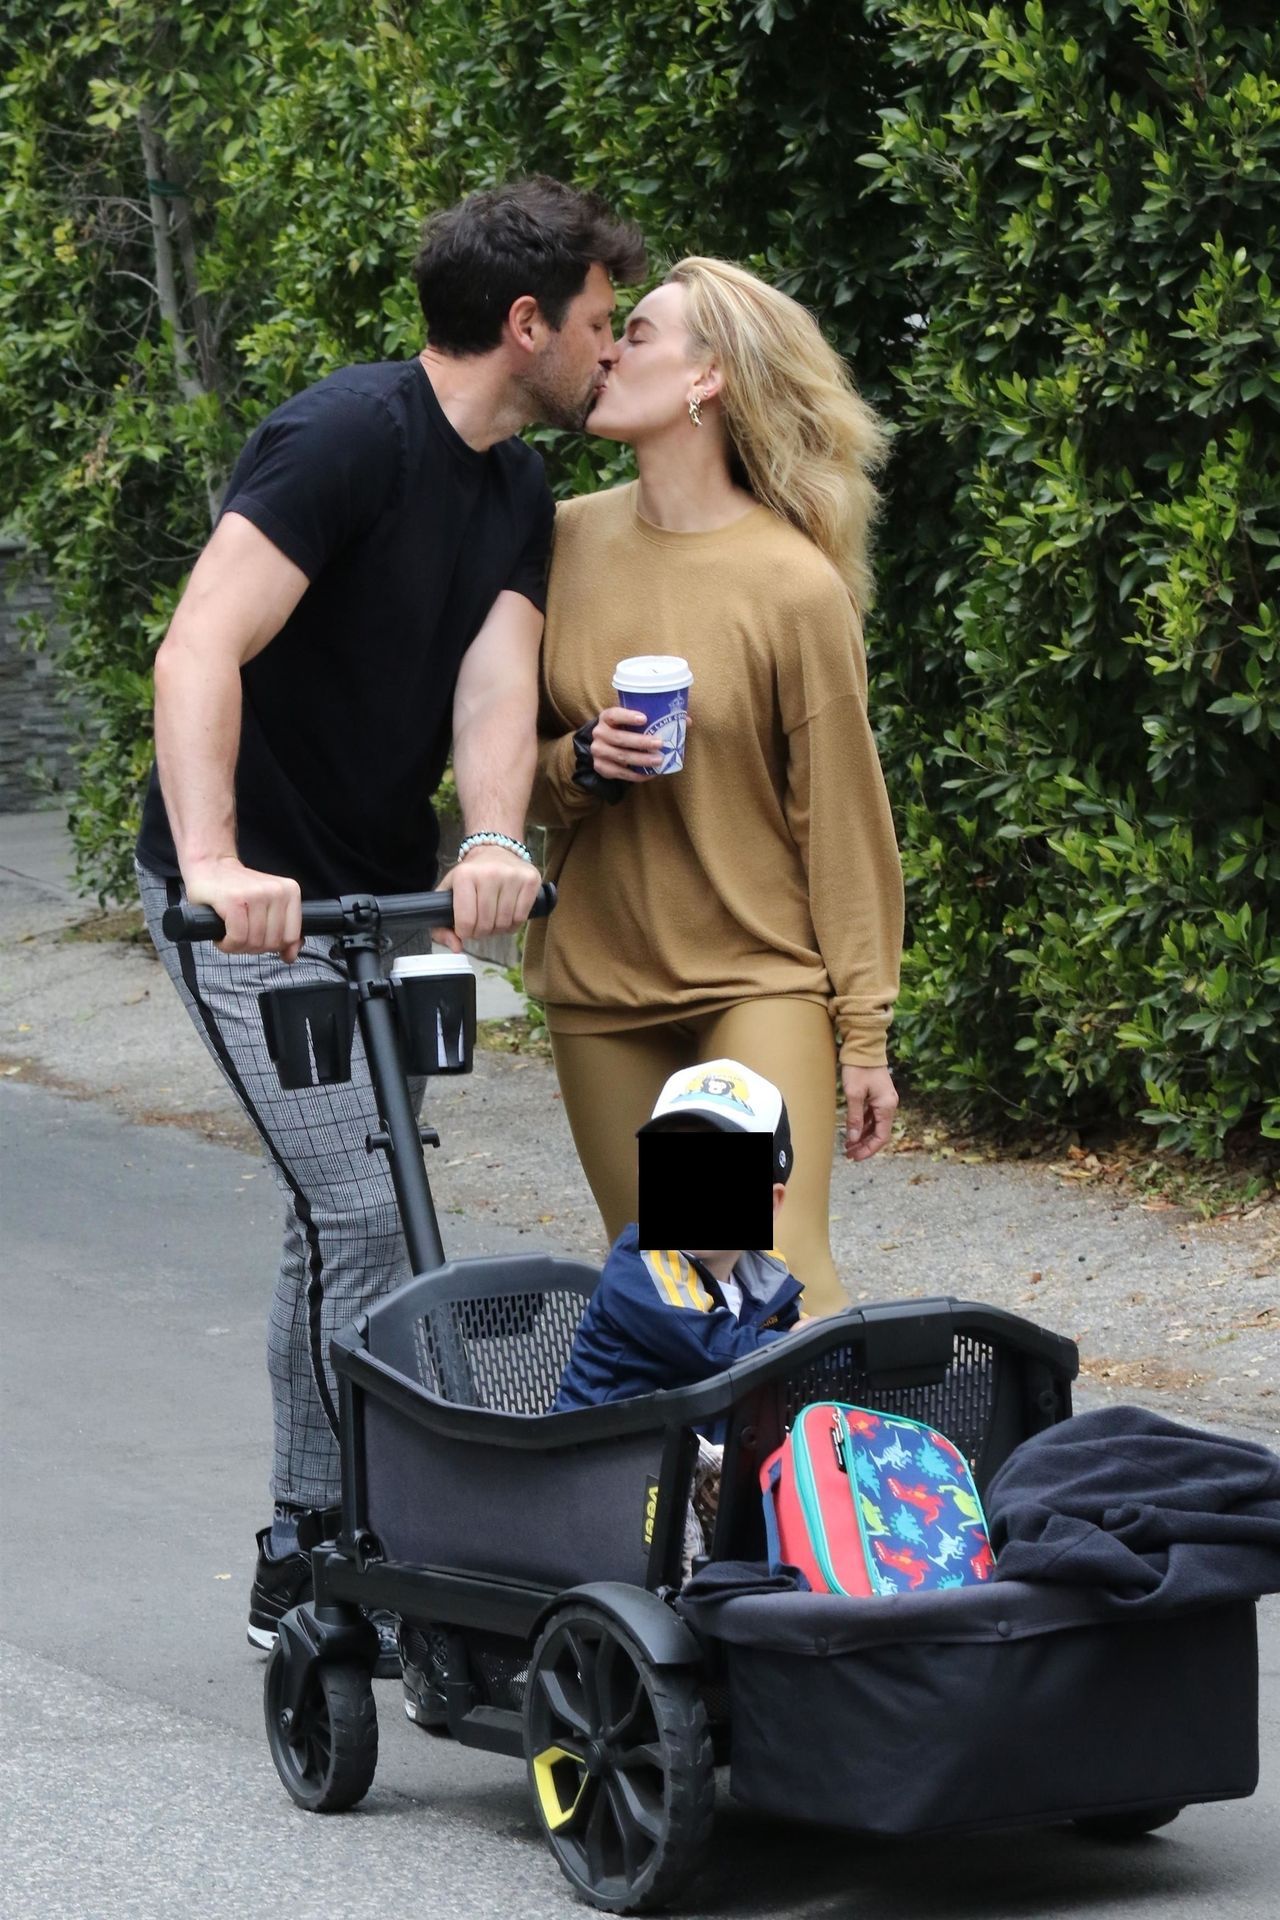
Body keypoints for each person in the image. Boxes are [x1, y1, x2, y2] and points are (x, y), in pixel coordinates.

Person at [134, 178, 645, 1662]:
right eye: (600, 323)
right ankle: (344, 1542)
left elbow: (494, 676)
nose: (610, 351)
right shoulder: (347, 437)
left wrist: (490, 834)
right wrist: (215, 864)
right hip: (248, 907)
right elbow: (198, 644)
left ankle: (332, 1535)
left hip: (374, 899)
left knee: (357, 1205)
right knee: (361, 1210)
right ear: (526, 323)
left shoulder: (513, 489)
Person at [523, 256, 904, 1318]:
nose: (607, 352)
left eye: (638, 333)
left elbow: (842, 825)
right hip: (602, 985)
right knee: (674, 1300)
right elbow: (502, 772)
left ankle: (839, 1440)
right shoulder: (560, 541)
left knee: (759, 1281)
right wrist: (579, 763)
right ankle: (706, 1450)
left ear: (708, 378)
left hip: (751, 979)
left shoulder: (791, 584)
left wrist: (864, 1032)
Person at [553, 1060, 804, 1413]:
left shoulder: (764, 1275)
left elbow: (792, 1336)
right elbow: (712, 1349)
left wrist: (824, 1342)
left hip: (686, 1443)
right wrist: (802, 1346)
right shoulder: (639, 1265)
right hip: (597, 1445)